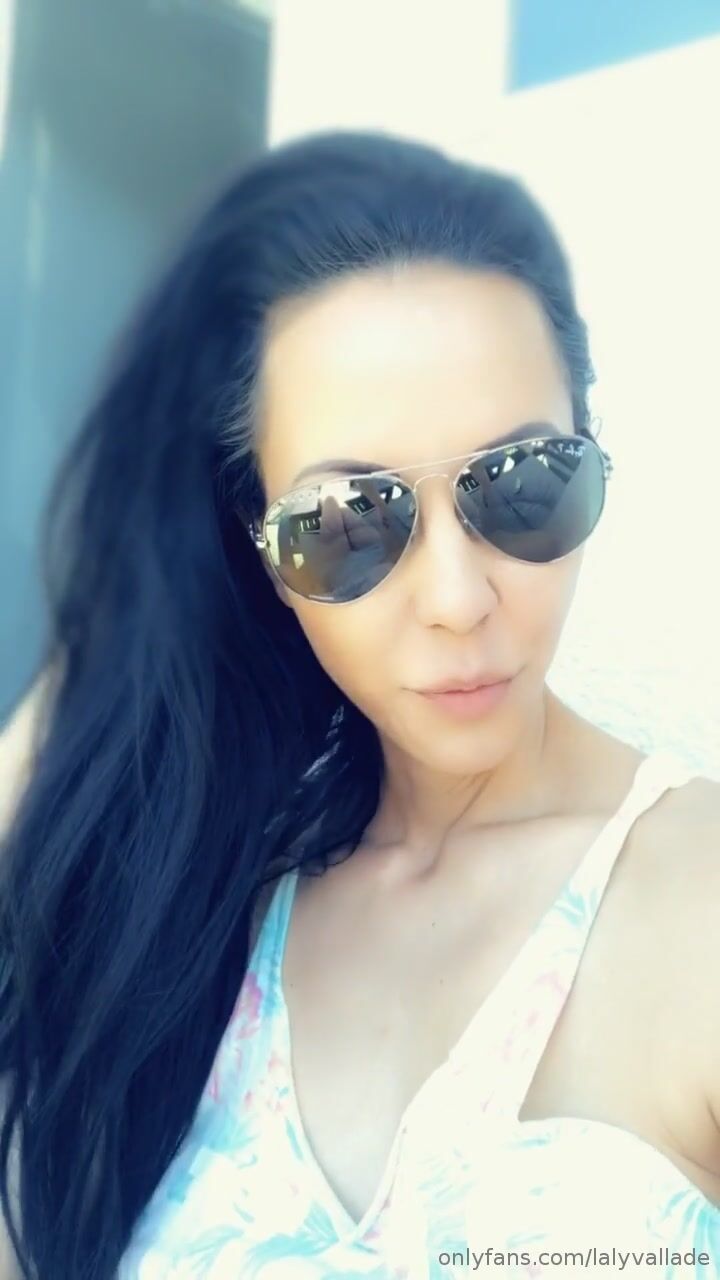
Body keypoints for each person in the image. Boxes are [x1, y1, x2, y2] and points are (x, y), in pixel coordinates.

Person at [0, 129, 718, 1280]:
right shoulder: (204, 915)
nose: (458, 598)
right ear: (255, 546)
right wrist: (115, 640)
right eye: (346, 525)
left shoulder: (699, 904)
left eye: (525, 484)